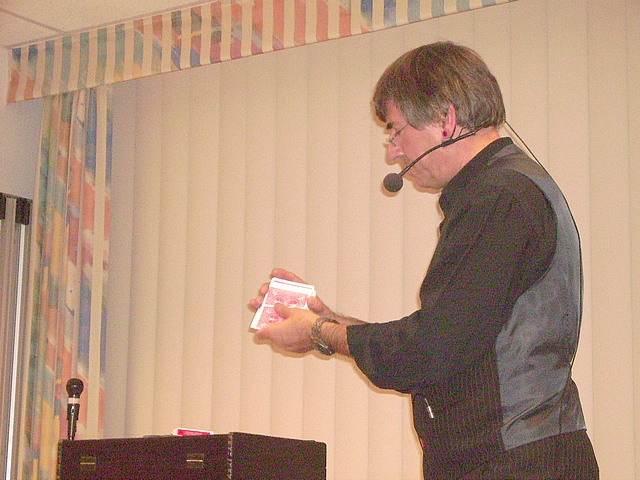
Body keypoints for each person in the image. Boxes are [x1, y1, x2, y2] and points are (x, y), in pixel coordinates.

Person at [249, 41, 599, 478]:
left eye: (396, 131)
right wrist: (330, 321)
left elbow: (431, 351)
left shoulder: (499, 198)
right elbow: (451, 337)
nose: (392, 152)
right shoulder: (510, 188)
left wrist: (320, 332)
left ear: (446, 120)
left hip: (511, 463)